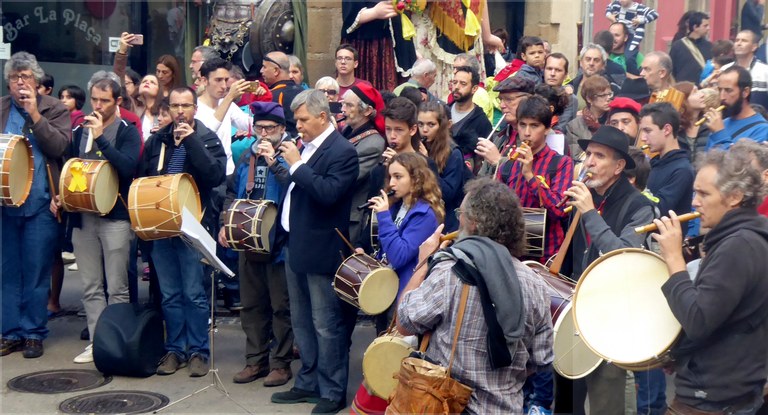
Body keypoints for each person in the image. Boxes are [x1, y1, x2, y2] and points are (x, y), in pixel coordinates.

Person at [396, 177, 554, 414]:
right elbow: (540, 360)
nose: (458, 218)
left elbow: (404, 323)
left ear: (473, 223)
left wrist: (423, 263)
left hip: (449, 406)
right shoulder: (536, 284)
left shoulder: (449, 272)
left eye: (461, 212)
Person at [652, 149, 768, 415]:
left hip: (712, 398)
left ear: (735, 197)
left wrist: (674, 260)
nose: (694, 203)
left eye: (704, 194)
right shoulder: (743, 238)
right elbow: (726, 316)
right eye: (695, 193)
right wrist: (681, 352)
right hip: (726, 390)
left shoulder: (739, 245)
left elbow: (699, 320)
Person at [269, 90, 359, 414]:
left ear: (323, 117)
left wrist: (295, 166)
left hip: (323, 248)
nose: (299, 126)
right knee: (302, 321)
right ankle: (307, 382)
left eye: (304, 119)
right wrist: (284, 167)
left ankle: (333, 391)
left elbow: (327, 193)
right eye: (296, 120)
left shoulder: (343, 151)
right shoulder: (306, 147)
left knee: (326, 324)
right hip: (296, 244)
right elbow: (300, 191)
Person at [559, 125, 656, 415]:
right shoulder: (586, 196)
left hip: (614, 317)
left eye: (599, 156)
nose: (588, 162)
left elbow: (621, 258)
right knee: (566, 394)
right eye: (588, 154)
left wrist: (589, 213)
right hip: (577, 309)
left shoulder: (640, 206)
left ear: (619, 166)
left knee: (606, 400)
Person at [137, 86, 226, 376]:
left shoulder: (207, 140)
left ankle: (198, 351)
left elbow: (214, 176)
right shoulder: (157, 140)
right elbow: (142, 179)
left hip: (192, 227)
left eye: (185, 106)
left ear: (195, 109)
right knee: (170, 293)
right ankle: (175, 349)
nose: (179, 112)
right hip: (161, 225)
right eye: (174, 106)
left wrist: (192, 143)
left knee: (193, 292)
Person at [54, 76, 141, 364]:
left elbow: (128, 168)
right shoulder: (79, 130)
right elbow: (70, 167)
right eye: (95, 100)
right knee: (91, 285)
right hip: (84, 217)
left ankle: (117, 341)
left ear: (118, 101)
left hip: (115, 217)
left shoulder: (128, 130)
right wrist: (61, 197)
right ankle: (96, 341)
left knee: (117, 286)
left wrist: (102, 136)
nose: (98, 106)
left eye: (105, 101)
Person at [217, 102, 294, 387]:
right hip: (247, 241)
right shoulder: (245, 156)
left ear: (282, 130)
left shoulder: (289, 154)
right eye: (259, 128)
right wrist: (226, 223)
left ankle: (281, 364)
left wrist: (275, 162)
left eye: (270, 129)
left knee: (280, 308)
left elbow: (293, 189)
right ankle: (255, 361)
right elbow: (229, 193)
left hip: (278, 244)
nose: (263, 134)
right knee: (251, 306)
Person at [1, 52, 71, 358]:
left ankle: (33, 332)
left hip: (41, 204)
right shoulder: (1, 108)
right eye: (15, 78)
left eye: (26, 77)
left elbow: (58, 146)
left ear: (37, 80)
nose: (20, 83)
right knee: (6, 271)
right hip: (5, 204)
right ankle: (10, 331)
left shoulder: (54, 109)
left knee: (37, 270)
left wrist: (34, 115)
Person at [366, 152, 443, 332]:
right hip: (388, 289)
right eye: (390, 177)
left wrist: (383, 216)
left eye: (398, 177)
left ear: (416, 179)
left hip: (404, 293)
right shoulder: (398, 206)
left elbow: (399, 256)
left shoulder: (425, 214)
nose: (391, 183)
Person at [497, 95, 573, 262]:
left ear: (547, 129)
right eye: (522, 125)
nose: (527, 133)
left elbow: (559, 211)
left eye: (534, 126)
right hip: (510, 255)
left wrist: (530, 176)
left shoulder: (561, 163)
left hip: (546, 258)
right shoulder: (507, 166)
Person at [341, 84, 387, 245]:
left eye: (349, 105)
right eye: (343, 104)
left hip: (350, 218)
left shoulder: (373, 144)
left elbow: (346, 178)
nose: (343, 110)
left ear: (367, 111)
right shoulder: (346, 129)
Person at [195, 57, 253, 175]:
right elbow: (208, 134)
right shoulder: (195, 107)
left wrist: (262, 101)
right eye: (218, 80)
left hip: (228, 172)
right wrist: (230, 97)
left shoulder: (227, 104)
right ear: (204, 81)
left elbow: (250, 125)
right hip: (206, 174)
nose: (224, 86)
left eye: (226, 80)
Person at [639, 102, 695, 218]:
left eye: (648, 131)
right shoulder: (654, 164)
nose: (643, 138)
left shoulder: (682, 170)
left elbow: (658, 211)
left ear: (667, 130)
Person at [418, 100, 467, 232]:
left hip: (446, 221)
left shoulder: (453, 153)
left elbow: (447, 193)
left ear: (441, 126)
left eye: (431, 124)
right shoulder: (416, 146)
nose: (424, 130)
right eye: (420, 124)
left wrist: (428, 163)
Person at [475, 76, 535, 177]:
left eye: (509, 100)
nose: (502, 105)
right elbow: (482, 176)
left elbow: (533, 173)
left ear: (528, 100)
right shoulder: (501, 136)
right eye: (500, 100)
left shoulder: (538, 136)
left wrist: (498, 160)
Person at [705, 66, 768, 149]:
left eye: (728, 90)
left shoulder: (762, 130)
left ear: (745, 92)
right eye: (720, 90)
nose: (722, 97)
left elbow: (740, 161)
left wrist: (719, 133)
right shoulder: (720, 124)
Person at [450, 65, 493, 173]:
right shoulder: (443, 112)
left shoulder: (482, 123)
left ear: (474, 89)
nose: (456, 87)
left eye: (463, 84)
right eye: (454, 82)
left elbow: (484, 161)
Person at [566, 75, 613, 157]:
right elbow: (576, 156)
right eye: (603, 95)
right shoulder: (574, 126)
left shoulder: (615, 120)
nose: (608, 98)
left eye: (609, 94)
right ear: (589, 99)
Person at [719, 30, 768, 109]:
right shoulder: (724, 69)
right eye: (737, 40)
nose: (739, 44)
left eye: (744, 41)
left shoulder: (764, 71)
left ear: (754, 47)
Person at [260, 51, 304, 136]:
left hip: (283, 145)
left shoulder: (273, 96)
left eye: (264, 67)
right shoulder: (303, 91)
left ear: (276, 70)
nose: (261, 71)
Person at [674, 82, 718, 161]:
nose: (702, 95)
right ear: (683, 100)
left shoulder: (710, 125)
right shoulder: (675, 130)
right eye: (695, 92)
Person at [669, 12, 712, 84]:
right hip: (681, 89)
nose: (708, 28)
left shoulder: (709, 46)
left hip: (702, 90)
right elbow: (671, 70)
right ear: (695, 27)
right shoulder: (678, 46)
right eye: (705, 26)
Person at [545, 53, 578, 132]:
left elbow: (562, 128)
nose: (552, 74)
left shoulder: (570, 98)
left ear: (566, 75)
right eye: (549, 69)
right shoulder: (535, 91)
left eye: (558, 70)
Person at [136, 74, 164, 140]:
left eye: (152, 82)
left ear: (159, 89)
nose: (147, 83)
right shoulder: (132, 108)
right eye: (144, 81)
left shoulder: (164, 110)